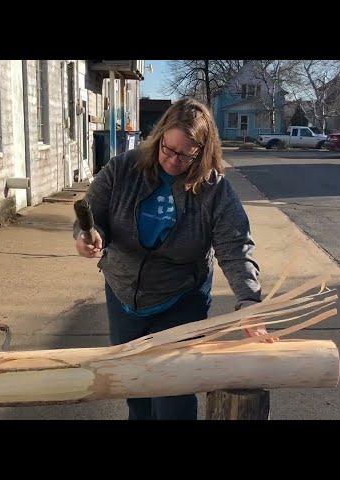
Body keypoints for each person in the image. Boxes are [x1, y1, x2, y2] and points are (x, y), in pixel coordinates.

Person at [73, 98, 271, 420]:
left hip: (181, 298)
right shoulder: (123, 168)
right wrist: (87, 236)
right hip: (123, 293)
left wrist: (249, 300)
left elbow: (234, 246)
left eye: (185, 155)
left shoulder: (214, 189)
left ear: (202, 153)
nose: (172, 159)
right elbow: (93, 216)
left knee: (173, 395)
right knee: (134, 387)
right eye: (168, 148)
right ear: (160, 135)